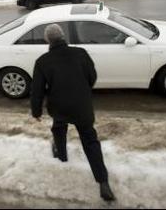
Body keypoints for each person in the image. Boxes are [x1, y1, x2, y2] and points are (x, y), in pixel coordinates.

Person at [30, 23, 115, 202]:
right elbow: (92, 77)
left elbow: (36, 90)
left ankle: (61, 155)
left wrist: (36, 111)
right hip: (81, 106)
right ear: (63, 37)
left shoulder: (43, 61)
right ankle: (103, 182)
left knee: (59, 128)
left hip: (59, 107)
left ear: (48, 40)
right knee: (90, 141)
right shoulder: (81, 53)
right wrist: (83, 91)